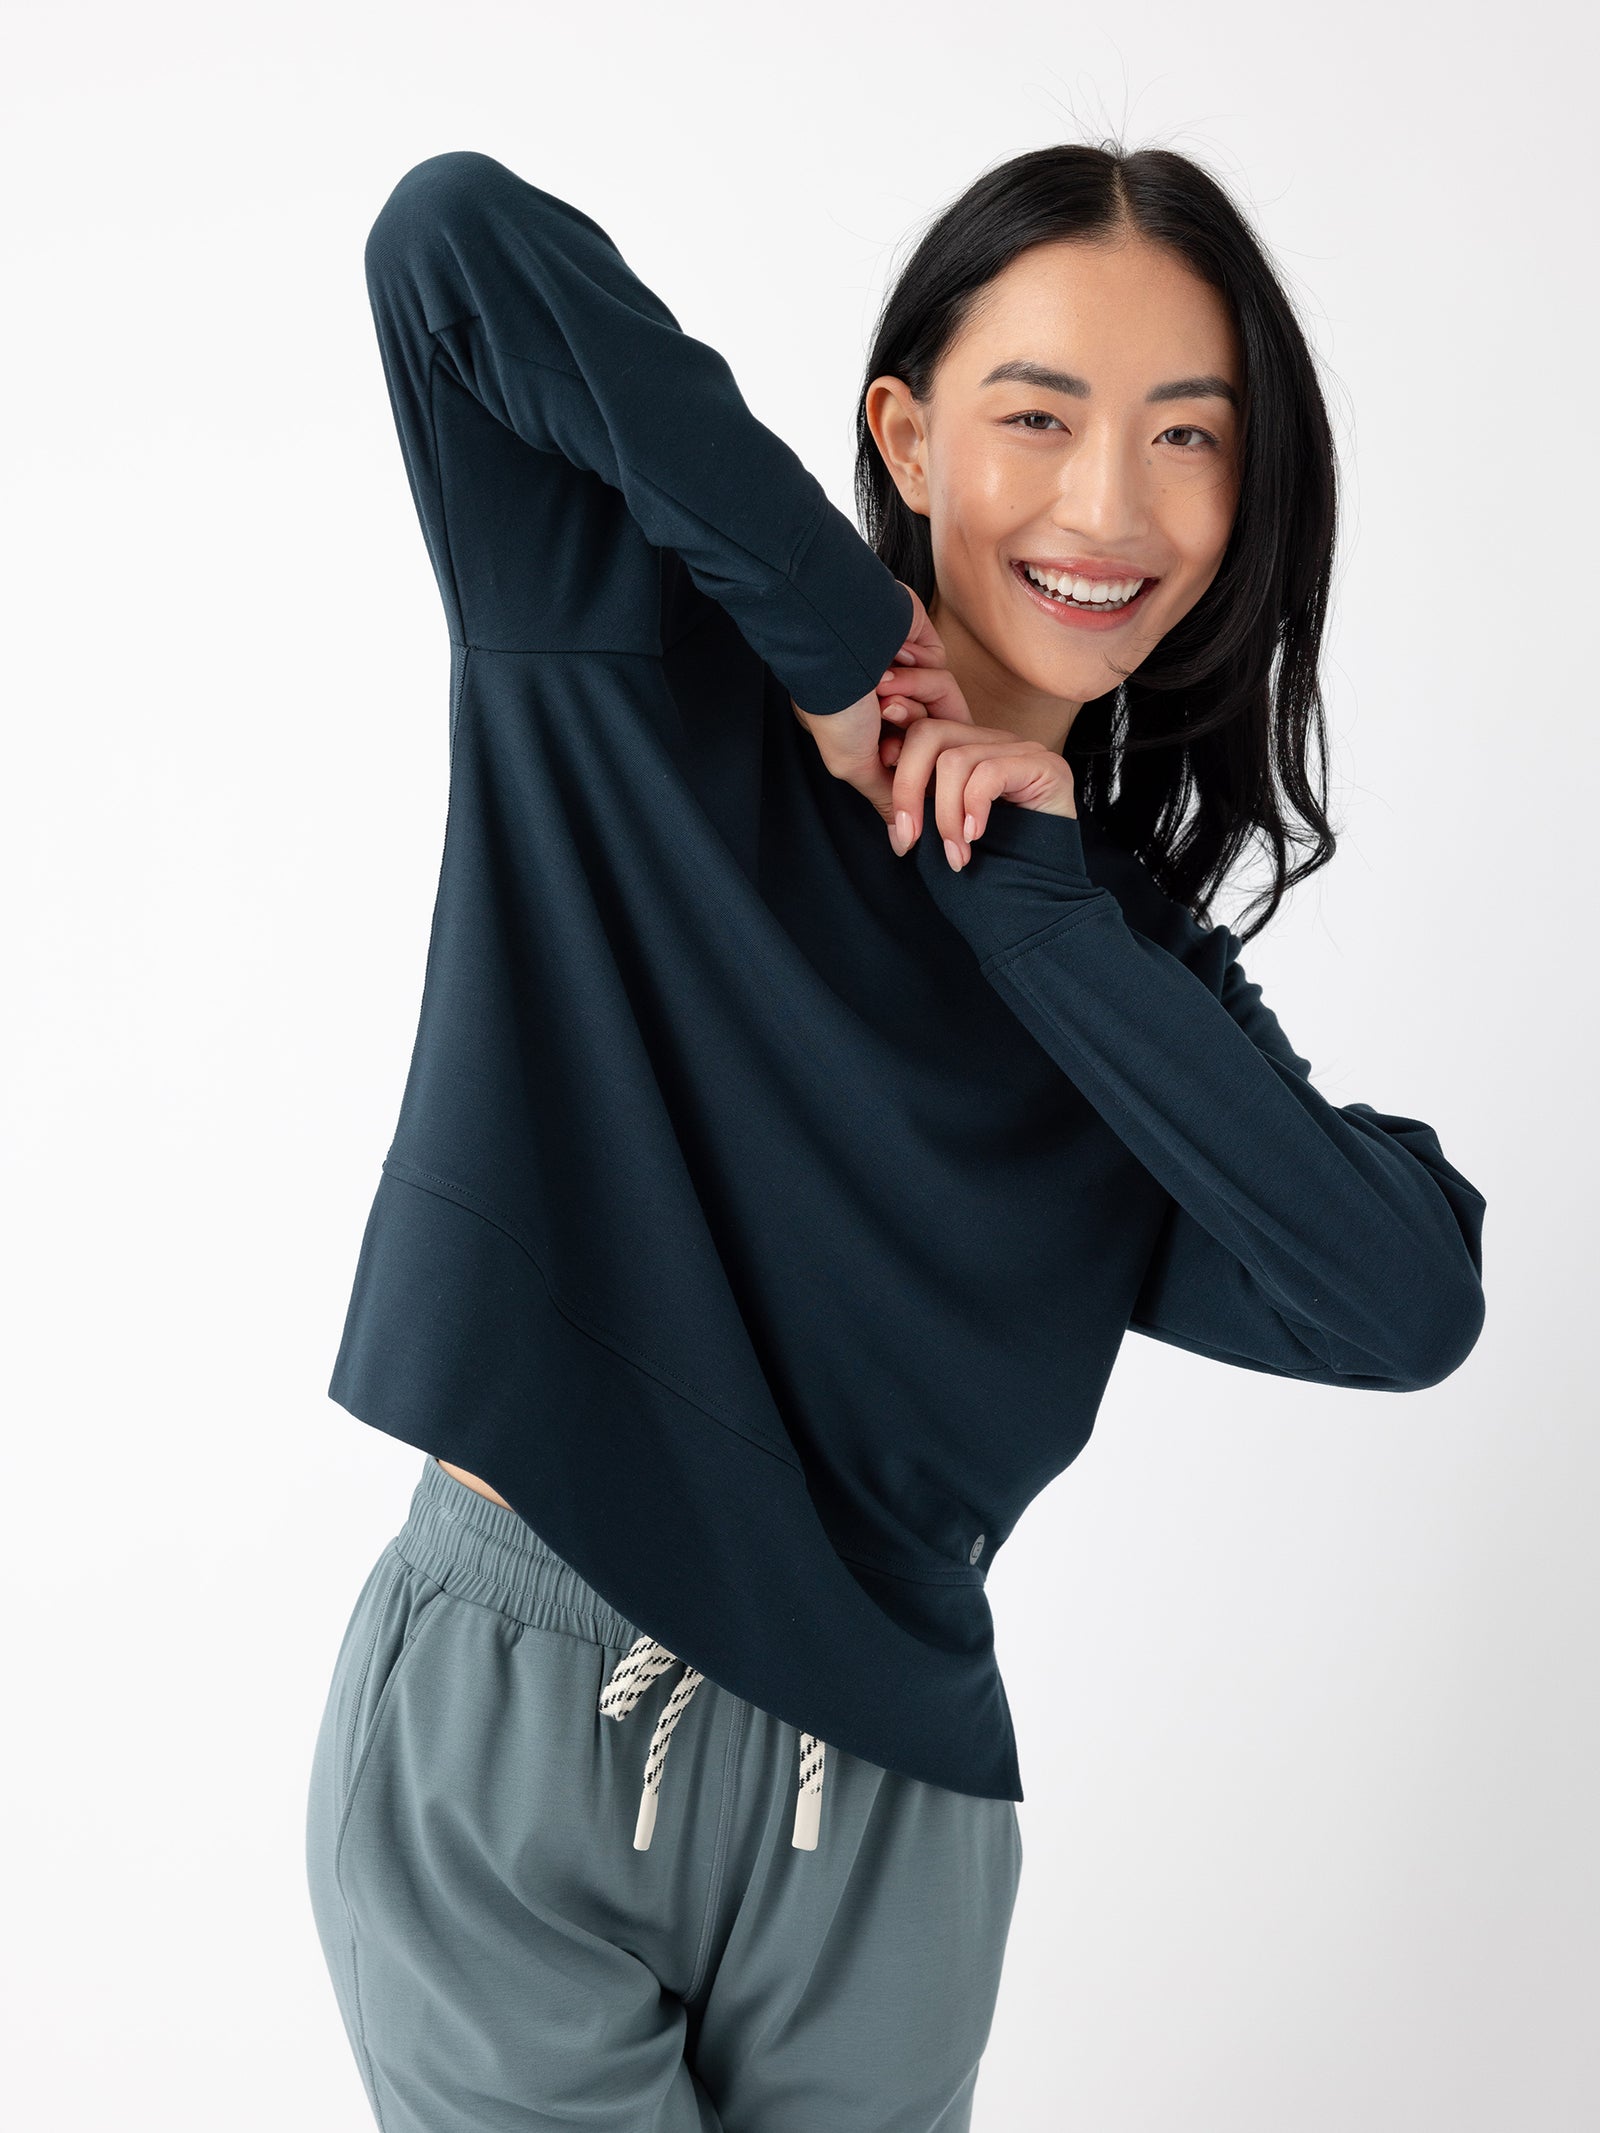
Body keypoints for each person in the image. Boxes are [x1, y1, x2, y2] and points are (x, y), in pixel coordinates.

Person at [304, 144, 1487, 2131]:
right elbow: (449, 246)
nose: (1105, 502)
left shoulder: (1122, 987)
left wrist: (1040, 899)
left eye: (1185, 439)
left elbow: (1398, 1297)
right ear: (904, 430)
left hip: (896, 1830)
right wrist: (842, 650)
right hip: (527, 1726)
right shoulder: (613, 664)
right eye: (1037, 414)